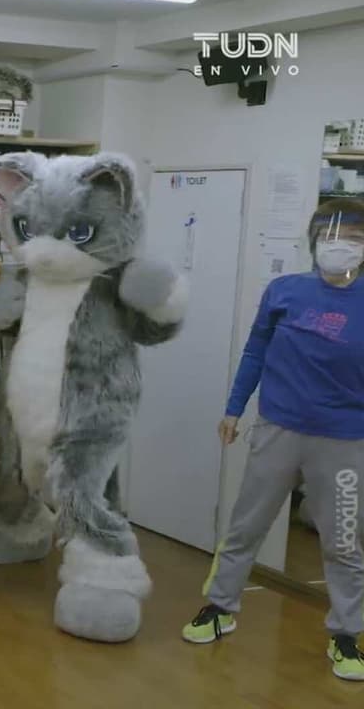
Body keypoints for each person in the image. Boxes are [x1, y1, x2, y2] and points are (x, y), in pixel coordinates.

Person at [183, 198, 364, 682]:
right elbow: (255, 350)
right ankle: (220, 607)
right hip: (278, 428)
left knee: (343, 541)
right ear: (314, 242)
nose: (341, 246)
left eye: (353, 238)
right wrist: (233, 408)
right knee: (245, 527)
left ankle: (347, 634)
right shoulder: (285, 291)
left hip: (345, 440)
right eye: (331, 237)